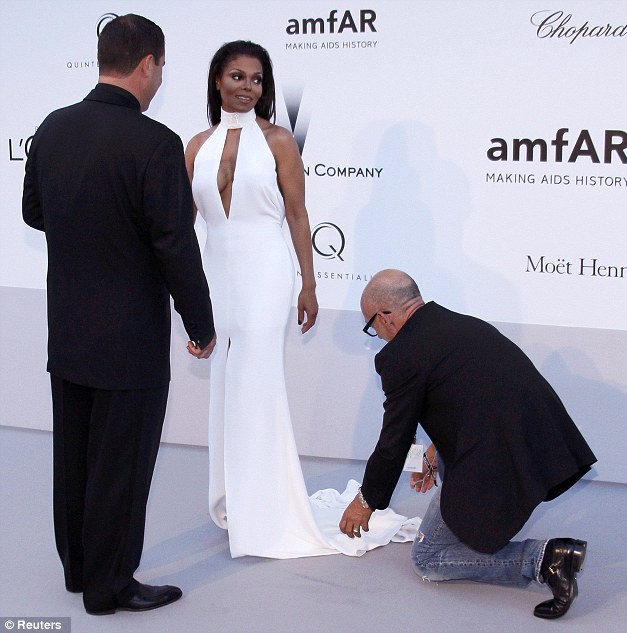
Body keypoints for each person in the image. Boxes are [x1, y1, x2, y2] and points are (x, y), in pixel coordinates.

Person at [185, 41, 416, 558]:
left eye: (258, 79)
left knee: (256, 382)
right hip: (216, 272)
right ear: (217, 80)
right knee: (225, 383)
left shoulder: (279, 141)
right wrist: (188, 300)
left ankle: (268, 511)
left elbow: (297, 215)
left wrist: (308, 283)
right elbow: (185, 226)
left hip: (267, 270)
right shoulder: (196, 145)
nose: (247, 87)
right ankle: (235, 499)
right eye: (237, 76)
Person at [22, 14, 215, 615]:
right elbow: (174, 245)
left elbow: (33, 212)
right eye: (162, 68)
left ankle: (80, 571)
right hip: (129, 336)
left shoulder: (54, 128)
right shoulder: (155, 143)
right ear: (148, 64)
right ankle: (110, 587)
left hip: (70, 328)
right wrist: (201, 324)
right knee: (121, 465)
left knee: (75, 457)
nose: (161, 79)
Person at [340, 269, 597, 619]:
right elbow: (470, 394)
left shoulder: (401, 355)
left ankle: (548, 559)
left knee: (429, 559)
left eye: (371, 326)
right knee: (450, 484)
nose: (378, 336)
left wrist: (366, 500)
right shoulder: (457, 323)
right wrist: (436, 451)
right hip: (539, 436)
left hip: (499, 452)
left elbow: (393, 441)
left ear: (385, 318)